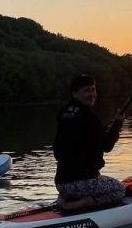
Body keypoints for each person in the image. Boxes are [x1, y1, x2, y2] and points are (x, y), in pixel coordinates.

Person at [53, 74, 125, 211]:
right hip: (83, 184)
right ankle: (83, 203)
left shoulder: (63, 114)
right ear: (74, 93)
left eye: (93, 89)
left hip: (61, 184)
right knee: (119, 189)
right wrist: (117, 124)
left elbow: (57, 150)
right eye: (86, 90)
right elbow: (107, 146)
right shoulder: (89, 118)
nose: (92, 94)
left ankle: (64, 197)